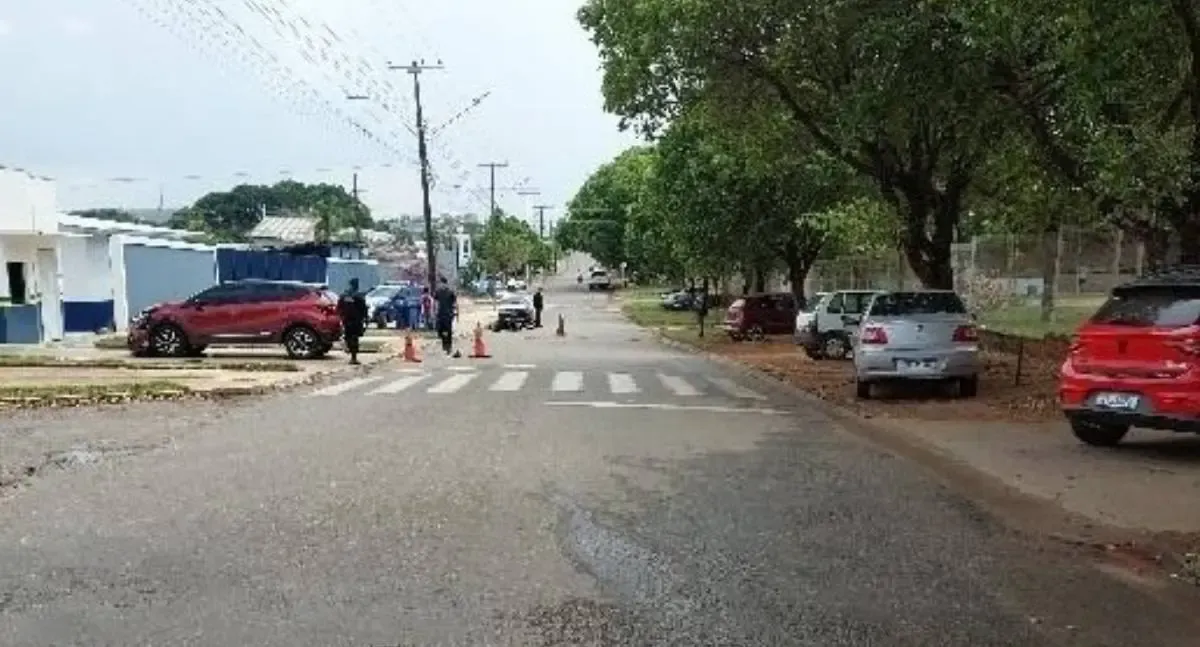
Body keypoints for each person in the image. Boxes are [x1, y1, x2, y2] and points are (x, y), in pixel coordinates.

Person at [337, 278, 369, 364]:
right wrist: (366, 318)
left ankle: (349, 349)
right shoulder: (358, 296)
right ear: (356, 285)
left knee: (348, 336)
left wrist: (341, 316)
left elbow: (339, 307)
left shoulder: (344, 295)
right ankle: (353, 357)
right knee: (354, 338)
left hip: (346, 320)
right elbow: (364, 309)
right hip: (356, 320)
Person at [432, 277, 458, 356]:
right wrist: (434, 311)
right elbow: (435, 301)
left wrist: (456, 312)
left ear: (444, 283)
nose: (440, 285)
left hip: (448, 313)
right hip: (441, 313)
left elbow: (455, 302)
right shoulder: (438, 292)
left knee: (448, 330)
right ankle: (444, 344)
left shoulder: (450, 292)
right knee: (441, 330)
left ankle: (449, 346)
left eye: (441, 283)